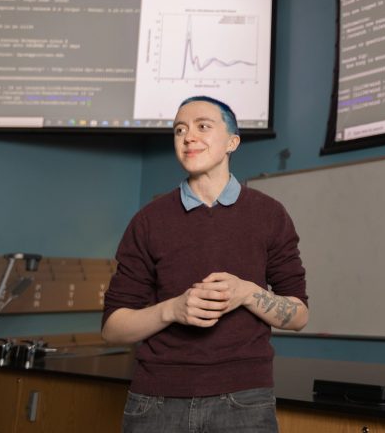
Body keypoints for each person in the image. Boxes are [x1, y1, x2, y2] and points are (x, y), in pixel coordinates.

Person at [102, 96, 308, 433]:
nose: (188, 137)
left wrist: (247, 294)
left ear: (232, 142)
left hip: (245, 401)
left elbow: (299, 315)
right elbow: (113, 328)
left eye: (202, 126)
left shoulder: (270, 215)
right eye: (179, 129)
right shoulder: (148, 221)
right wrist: (173, 309)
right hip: (155, 401)